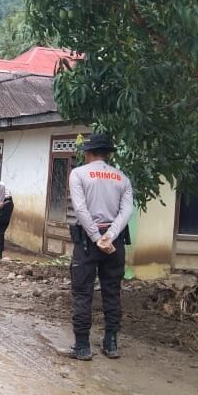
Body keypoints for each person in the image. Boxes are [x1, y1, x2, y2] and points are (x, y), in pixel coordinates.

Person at [67, 134, 134, 361]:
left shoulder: (78, 174)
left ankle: (83, 346)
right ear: (107, 153)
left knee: (83, 292)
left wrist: (96, 237)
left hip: (88, 241)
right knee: (112, 291)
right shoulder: (122, 178)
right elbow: (126, 212)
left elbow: (80, 208)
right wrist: (110, 236)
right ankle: (111, 343)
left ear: (88, 153)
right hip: (115, 243)